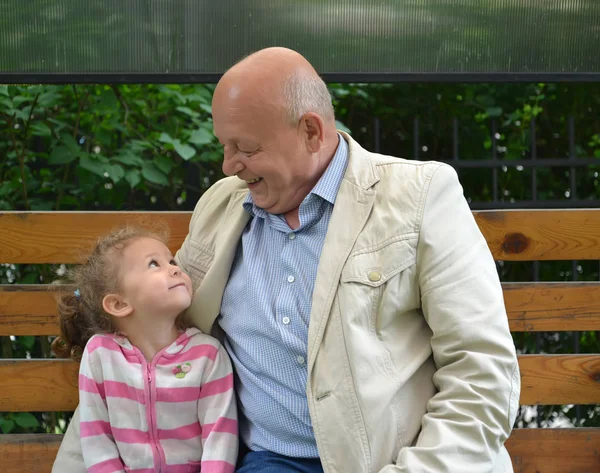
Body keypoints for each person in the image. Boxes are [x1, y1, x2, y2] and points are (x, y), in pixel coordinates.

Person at [53, 47, 520, 473]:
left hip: (393, 463)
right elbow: (145, 342)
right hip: (264, 461)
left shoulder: (420, 196)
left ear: (311, 131)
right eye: (224, 145)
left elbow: (481, 371)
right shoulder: (219, 206)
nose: (229, 164)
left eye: (247, 148)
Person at [51, 225, 238, 473]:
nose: (175, 269)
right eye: (154, 264)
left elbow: (220, 439)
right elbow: (96, 439)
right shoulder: (100, 355)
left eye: (171, 261)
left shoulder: (207, 355)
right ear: (119, 303)